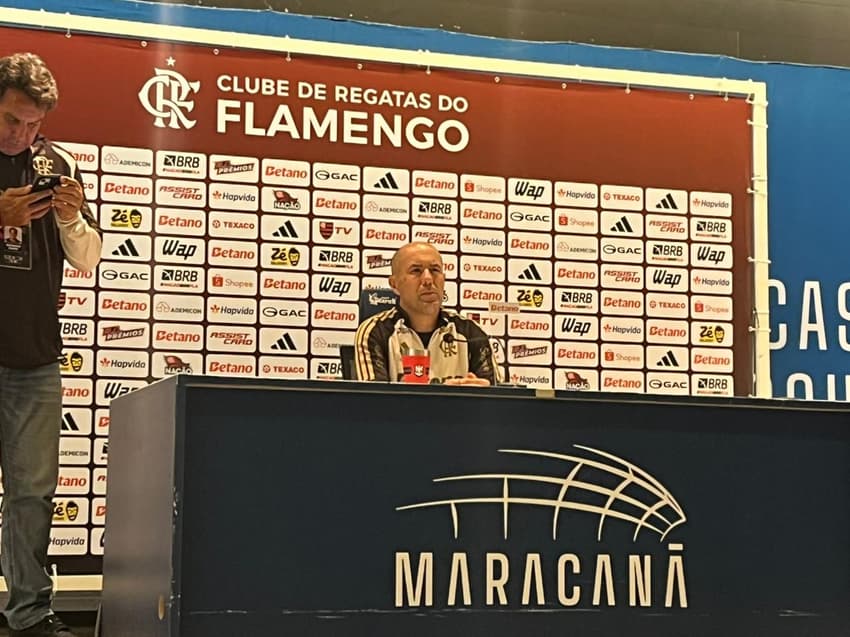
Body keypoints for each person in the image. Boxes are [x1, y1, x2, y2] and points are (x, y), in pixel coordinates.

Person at [0, 52, 101, 637]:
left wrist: (70, 219)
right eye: (13, 120)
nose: (24, 135)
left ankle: (30, 615)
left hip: (35, 356)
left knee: (33, 496)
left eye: (35, 123)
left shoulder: (55, 162)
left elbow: (88, 258)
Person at [354, 242, 500, 385]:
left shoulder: (470, 332)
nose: (428, 279)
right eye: (416, 271)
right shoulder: (375, 332)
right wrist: (446, 397)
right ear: (394, 284)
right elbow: (373, 403)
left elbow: (497, 397)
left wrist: (481, 396)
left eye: (435, 270)